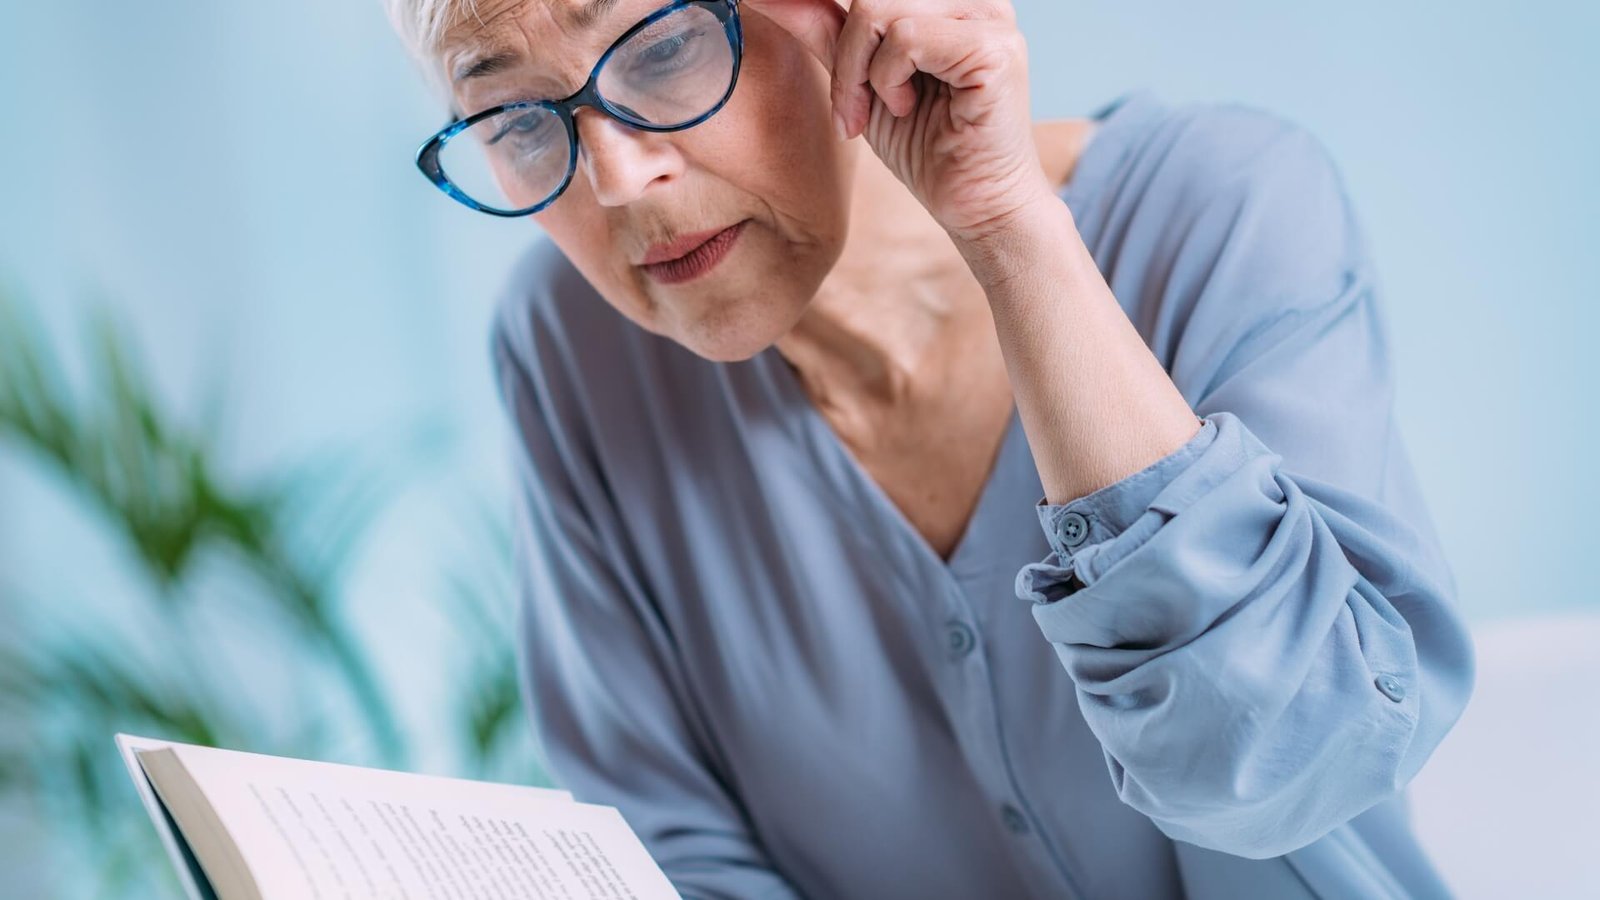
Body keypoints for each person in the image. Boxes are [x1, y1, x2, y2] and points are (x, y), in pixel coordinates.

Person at [383, 0, 1476, 896]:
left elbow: (1305, 759)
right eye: (517, 122)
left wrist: (1007, 231)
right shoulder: (569, 351)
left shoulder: (1219, 205)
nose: (616, 181)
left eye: (663, 49)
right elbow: (673, 852)